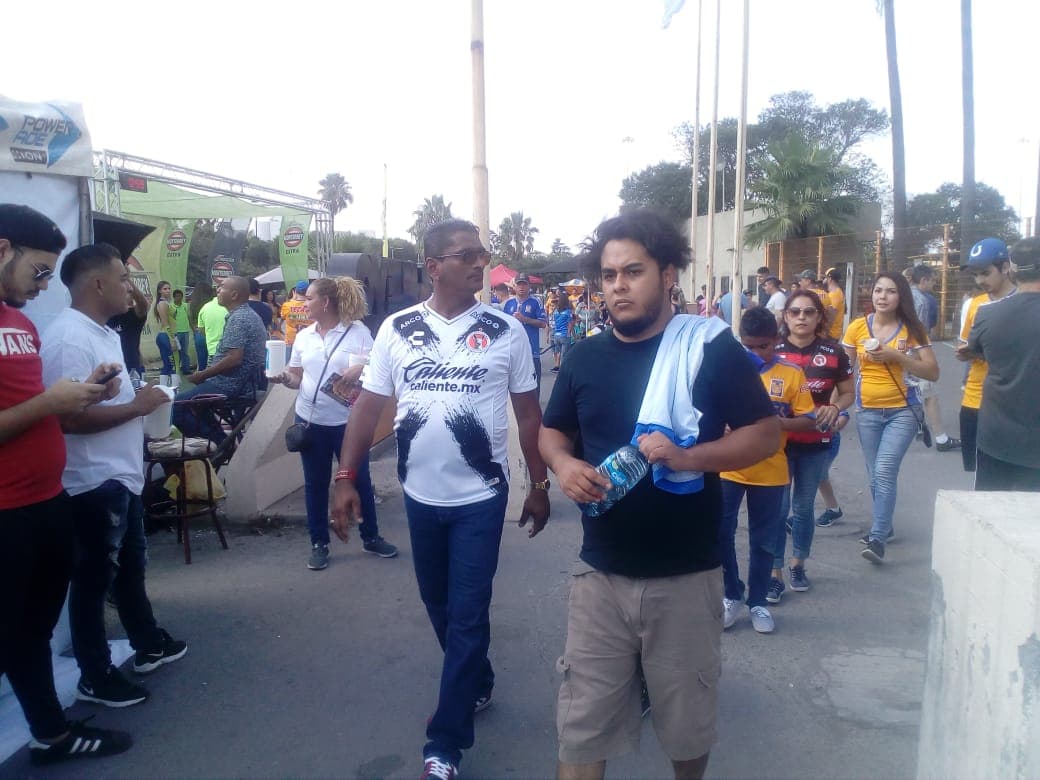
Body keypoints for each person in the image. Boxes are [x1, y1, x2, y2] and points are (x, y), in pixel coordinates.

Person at [539, 210, 778, 780]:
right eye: (608, 274)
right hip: (600, 573)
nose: (618, 285)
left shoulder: (710, 348)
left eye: (633, 271)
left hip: (687, 575)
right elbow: (553, 431)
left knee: (685, 726)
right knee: (581, 729)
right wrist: (563, 463)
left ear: (668, 273)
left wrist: (690, 457)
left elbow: (765, 434)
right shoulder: (585, 356)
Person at [329, 219, 549, 779]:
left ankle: (443, 746)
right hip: (420, 496)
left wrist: (539, 485)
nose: (479, 262)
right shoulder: (398, 330)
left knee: (469, 613)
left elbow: (529, 416)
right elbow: (367, 407)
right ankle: (476, 678)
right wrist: (345, 475)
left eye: (482, 253)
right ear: (434, 266)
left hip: (482, 494)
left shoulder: (506, 331)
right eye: (465, 254)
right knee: (439, 605)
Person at [0, 204, 132, 765]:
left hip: (46, 501)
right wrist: (52, 403)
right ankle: (51, 732)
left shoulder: (21, 324)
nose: (45, 283)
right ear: (3, 250)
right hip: (7, 511)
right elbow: (33, 410)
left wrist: (82, 393)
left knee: (31, 631)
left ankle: (50, 733)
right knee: (15, 630)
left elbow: (31, 409)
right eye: (39, 269)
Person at [40, 243, 186, 712]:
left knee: (130, 569)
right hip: (91, 481)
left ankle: (146, 641)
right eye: (123, 278)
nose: (131, 286)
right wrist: (136, 407)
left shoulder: (100, 332)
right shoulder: (68, 338)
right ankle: (95, 674)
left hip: (119, 476)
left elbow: (102, 401)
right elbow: (69, 420)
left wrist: (136, 397)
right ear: (97, 283)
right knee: (92, 581)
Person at [269, 276, 398, 570]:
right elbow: (297, 376)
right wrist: (284, 378)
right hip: (311, 420)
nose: (303, 303)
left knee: (360, 480)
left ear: (325, 302)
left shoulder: (358, 333)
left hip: (347, 423)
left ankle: (371, 537)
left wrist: (361, 367)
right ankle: (319, 543)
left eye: (309, 298)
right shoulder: (304, 337)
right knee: (315, 484)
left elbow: (380, 368)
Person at [719, 307, 816, 632]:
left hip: (771, 472)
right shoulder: (728, 371)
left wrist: (777, 423)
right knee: (721, 535)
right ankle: (731, 594)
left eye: (763, 346)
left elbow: (808, 419)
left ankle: (758, 602)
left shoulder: (792, 373)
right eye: (749, 347)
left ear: (776, 340)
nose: (757, 353)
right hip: (728, 468)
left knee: (764, 541)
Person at [843, 271, 939, 564]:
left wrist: (897, 357)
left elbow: (932, 372)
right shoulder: (857, 328)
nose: (882, 296)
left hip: (902, 411)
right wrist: (834, 405)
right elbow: (843, 371)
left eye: (891, 291)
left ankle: (878, 537)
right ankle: (887, 525)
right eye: (878, 290)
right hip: (867, 411)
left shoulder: (913, 329)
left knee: (883, 470)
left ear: (901, 297)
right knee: (875, 475)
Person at [771, 289, 855, 598]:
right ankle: (774, 572)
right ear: (786, 316)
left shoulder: (834, 352)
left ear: (819, 316)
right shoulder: (772, 351)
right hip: (777, 444)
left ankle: (798, 565)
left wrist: (836, 407)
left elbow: (847, 393)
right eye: (795, 312)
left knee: (803, 508)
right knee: (777, 510)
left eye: (808, 312)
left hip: (815, 442)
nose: (802, 317)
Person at [963, 237, 1040, 490]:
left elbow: (973, 350)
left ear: (1012, 269)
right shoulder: (982, 308)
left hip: (997, 435)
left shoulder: (987, 313)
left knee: (991, 514)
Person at [173, 276, 267, 442]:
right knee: (199, 407)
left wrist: (203, 375)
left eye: (221, 287)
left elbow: (234, 359)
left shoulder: (239, 318)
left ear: (234, 295)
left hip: (231, 385)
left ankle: (219, 445)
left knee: (177, 406)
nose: (217, 290)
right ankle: (220, 443)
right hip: (239, 383)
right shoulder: (242, 315)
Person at [955, 238, 1017, 473]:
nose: (980, 280)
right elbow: (964, 341)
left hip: (1010, 403)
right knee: (977, 472)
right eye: (975, 275)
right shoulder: (975, 304)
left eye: (985, 273)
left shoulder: (1023, 302)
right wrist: (967, 352)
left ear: (1005, 268)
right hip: (973, 398)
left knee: (1011, 475)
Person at [908, 265, 959, 451]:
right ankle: (941, 438)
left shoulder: (903, 295)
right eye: (933, 281)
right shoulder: (921, 300)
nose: (934, 284)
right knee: (929, 395)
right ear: (923, 280)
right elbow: (919, 332)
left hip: (899, 351)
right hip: (915, 354)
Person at [503, 273, 547, 394]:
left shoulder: (535, 302)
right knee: (512, 387)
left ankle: (534, 411)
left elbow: (543, 323)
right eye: (519, 284)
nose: (522, 287)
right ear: (514, 287)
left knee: (534, 387)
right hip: (512, 352)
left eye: (524, 284)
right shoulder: (508, 304)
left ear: (529, 286)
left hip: (532, 352)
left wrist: (524, 319)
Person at [107, 280, 149, 380]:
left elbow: (143, 305)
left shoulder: (133, 316)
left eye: (129, 292)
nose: (126, 294)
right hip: (110, 369)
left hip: (131, 369)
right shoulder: (105, 316)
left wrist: (125, 277)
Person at [195, 285, 228, 369]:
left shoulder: (205, 307)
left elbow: (201, 330)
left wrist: (212, 335)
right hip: (230, 352)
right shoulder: (232, 307)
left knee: (212, 378)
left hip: (213, 350)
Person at [153, 280, 179, 381]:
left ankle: (164, 390)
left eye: (169, 288)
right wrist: (172, 339)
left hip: (165, 335)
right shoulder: (163, 303)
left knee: (168, 365)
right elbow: (165, 322)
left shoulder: (167, 303)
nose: (168, 290)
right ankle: (175, 392)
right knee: (175, 365)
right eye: (165, 289)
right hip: (166, 336)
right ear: (160, 291)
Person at [281, 280, 313, 361]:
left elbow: (283, 316)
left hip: (291, 340)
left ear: (294, 291)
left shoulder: (286, 305)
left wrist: (292, 300)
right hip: (309, 341)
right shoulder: (313, 305)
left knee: (289, 366)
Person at [169, 289, 194, 373]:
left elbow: (189, 317)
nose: (179, 298)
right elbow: (169, 320)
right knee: (176, 352)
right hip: (176, 333)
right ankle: (175, 369)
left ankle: (186, 369)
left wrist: (193, 329)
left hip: (185, 331)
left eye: (180, 296)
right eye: (177, 296)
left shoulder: (185, 306)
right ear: (174, 297)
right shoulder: (171, 306)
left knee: (185, 351)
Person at [550, 291, 575, 372]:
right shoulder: (568, 312)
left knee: (558, 352)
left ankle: (557, 366)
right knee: (565, 354)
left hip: (556, 334)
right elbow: (570, 324)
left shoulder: (556, 311)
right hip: (564, 334)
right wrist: (570, 333)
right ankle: (564, 369)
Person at [823, 267, 846, 340]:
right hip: (834, 334)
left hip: (830, 335)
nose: (824, 280)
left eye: (825, 278)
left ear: (830, 279)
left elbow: (830, 317)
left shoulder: (834, 294)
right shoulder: (838, 292)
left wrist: (824, 334)